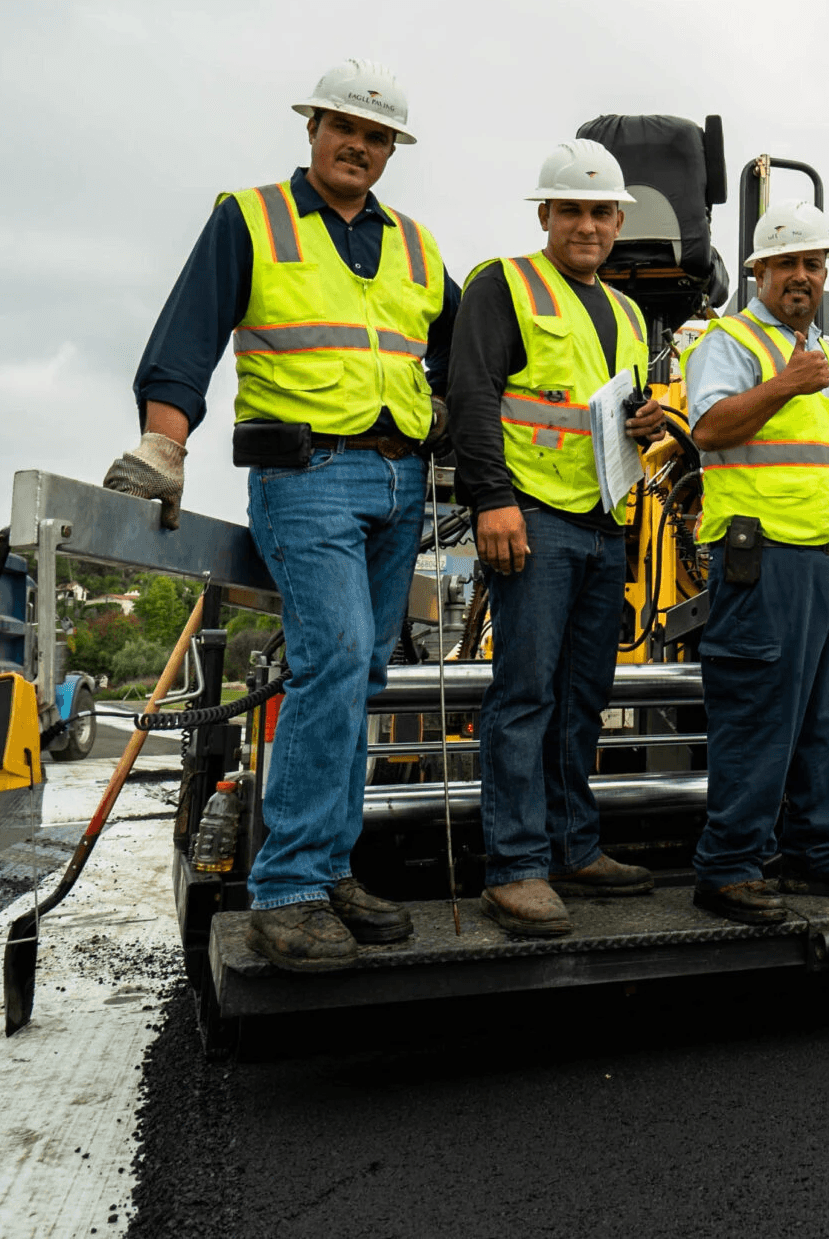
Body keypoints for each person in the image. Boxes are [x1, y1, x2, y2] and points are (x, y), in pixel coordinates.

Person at [107, 60, 461, 970]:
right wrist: (164, 443)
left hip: (396, 483)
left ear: (391, 151)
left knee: (360, 675)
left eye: (378, 136)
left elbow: (465, 361)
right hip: (306, 478)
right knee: (337, 655)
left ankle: (330, 866)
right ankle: (291, 884)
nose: (360, 146)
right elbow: (187, 336)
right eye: (345, 127)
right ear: (312, 127)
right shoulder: (252, 216)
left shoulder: (419, 247)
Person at [447, 140, 668, 938]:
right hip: (533, 518)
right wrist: (491, 500)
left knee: (582, 699)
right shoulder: (502, 284)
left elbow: (612, 410)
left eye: (600, 211)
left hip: (604, 525)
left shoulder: (627, 311)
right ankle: (515, 866)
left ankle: (573, 846)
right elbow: (471, 394)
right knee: (525, 695)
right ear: (543, 213)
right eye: (570, 209)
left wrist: (645, 423)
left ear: (618, 221)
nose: (586, 224)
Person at [683, 201, 829, 924]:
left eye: (812, 263)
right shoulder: (730, 341)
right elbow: (707, 431)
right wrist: (781, 385)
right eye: (786, 264)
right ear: (759, 272)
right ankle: (729, 867)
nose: (801, 276)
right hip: (764, 560)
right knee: (757, 720)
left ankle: (820, 855)